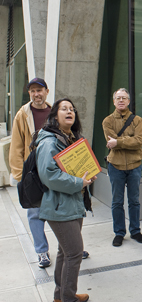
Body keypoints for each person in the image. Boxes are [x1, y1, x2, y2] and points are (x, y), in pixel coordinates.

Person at [9, 78, 90, 266]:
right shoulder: (23, 114)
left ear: (46, 91)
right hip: (35, 174)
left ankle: (71, 246)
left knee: (66, 211)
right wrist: (20, 175)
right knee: (36, 214)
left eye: (39, 90)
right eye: (32, 91)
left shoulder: (54, 112)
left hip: (59, 170)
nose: (36, 94)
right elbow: (16, 145)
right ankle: (42, 251)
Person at [34, 98, 96, 302]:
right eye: (64, 109)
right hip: (59, 206)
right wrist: (80, 182)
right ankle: (68, 298)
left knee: (65, 251)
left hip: (72, 203)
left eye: (72, 109)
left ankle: (60, 296)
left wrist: (87, 177)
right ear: (54, 116)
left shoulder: (70, 139)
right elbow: (48, 175)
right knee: (75, 253)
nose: (70, 111)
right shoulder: (49, 141)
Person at [102, 88, 142, 246]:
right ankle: (119, 233)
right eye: (118, 98)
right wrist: (128, 139)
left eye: (124, 98)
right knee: (117, 201)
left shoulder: (138, 120)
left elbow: (139, 141)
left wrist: (119, 142)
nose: (121, 100)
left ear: (129, 101)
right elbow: (111, 142)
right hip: (116, 166)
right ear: (114, 101)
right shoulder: (107, 121)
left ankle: (135, 231)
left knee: (134, 201)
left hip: (135, 166)